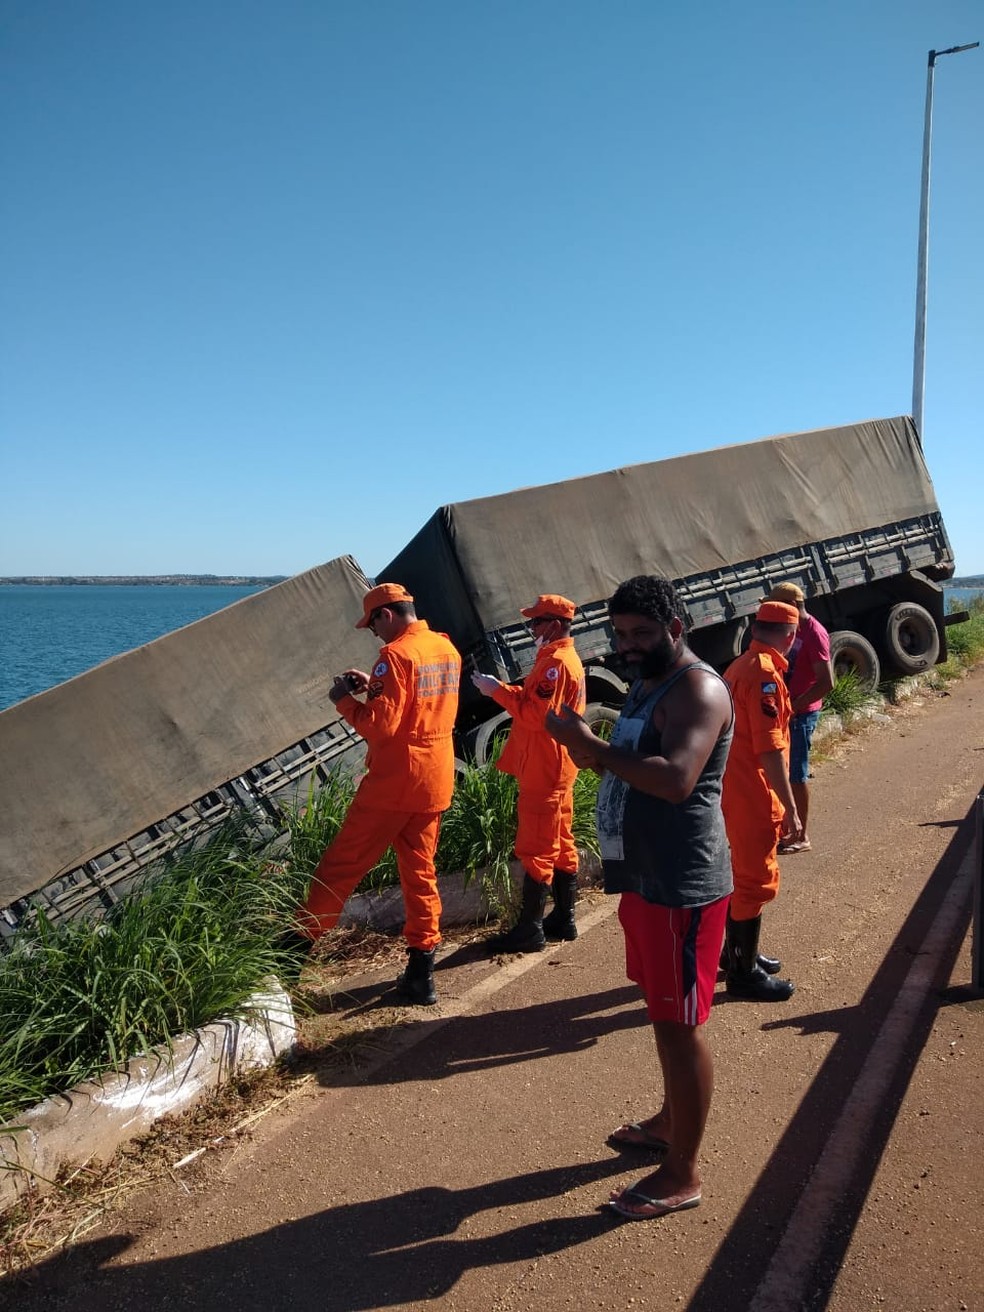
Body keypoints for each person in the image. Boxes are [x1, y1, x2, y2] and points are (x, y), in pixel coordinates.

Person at [545, 575, 734, 1221]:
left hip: (683, 883)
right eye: (620, 634)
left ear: (675, 629)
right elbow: (628, 761)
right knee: (661, 1016)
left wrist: (589, 746)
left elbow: (679, 778)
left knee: (681, 1028)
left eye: (641, 634)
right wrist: (588, 746)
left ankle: (681, 1172)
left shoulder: (699, 687)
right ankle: (667, 1120)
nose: (627, 645)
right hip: (645, 879)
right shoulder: (647, 681)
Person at [296, 583, 461, 1005]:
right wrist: (374, 686)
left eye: (372, 625)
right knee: (420, 875)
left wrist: (345, 702)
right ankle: (422, 973)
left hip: (394, 783)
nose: (373, 635)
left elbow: (381, 728)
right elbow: (418, 707)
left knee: (340, 866)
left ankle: (289, 955)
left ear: (386, 615)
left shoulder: (395, 656)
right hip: (434, 779)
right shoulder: (445, 649)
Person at [471, 594, 587, 951]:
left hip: (544, 764)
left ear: (552, 625)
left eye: (535, 622)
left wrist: (496, 692)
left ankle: (529, 929)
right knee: (561, 840)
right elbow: (540, 703)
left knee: (536, 846)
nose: (531, 628)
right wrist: (505, 690)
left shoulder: (555, 664)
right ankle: (564, 919)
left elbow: (537, 716)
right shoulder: (560, 659)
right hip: (558, 763)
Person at [720, 599, 803, 1002]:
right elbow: (769, 749)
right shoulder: (766, 676)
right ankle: (743, 972)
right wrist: (790, 807)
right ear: (789, 636)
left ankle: (737, 953)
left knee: (741, 876)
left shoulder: (739, 667)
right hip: (753, 790)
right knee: (755, 879)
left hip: (734, 786)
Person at [767, 582, 833, 853]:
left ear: (792, 607)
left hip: (801, 714)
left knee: (797, 774)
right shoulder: (788, 630)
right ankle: (788, 829)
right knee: (783, 772)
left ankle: (802, 836)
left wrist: (794, 706)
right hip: (787, 712)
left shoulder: (814, 633)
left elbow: (827, 682)